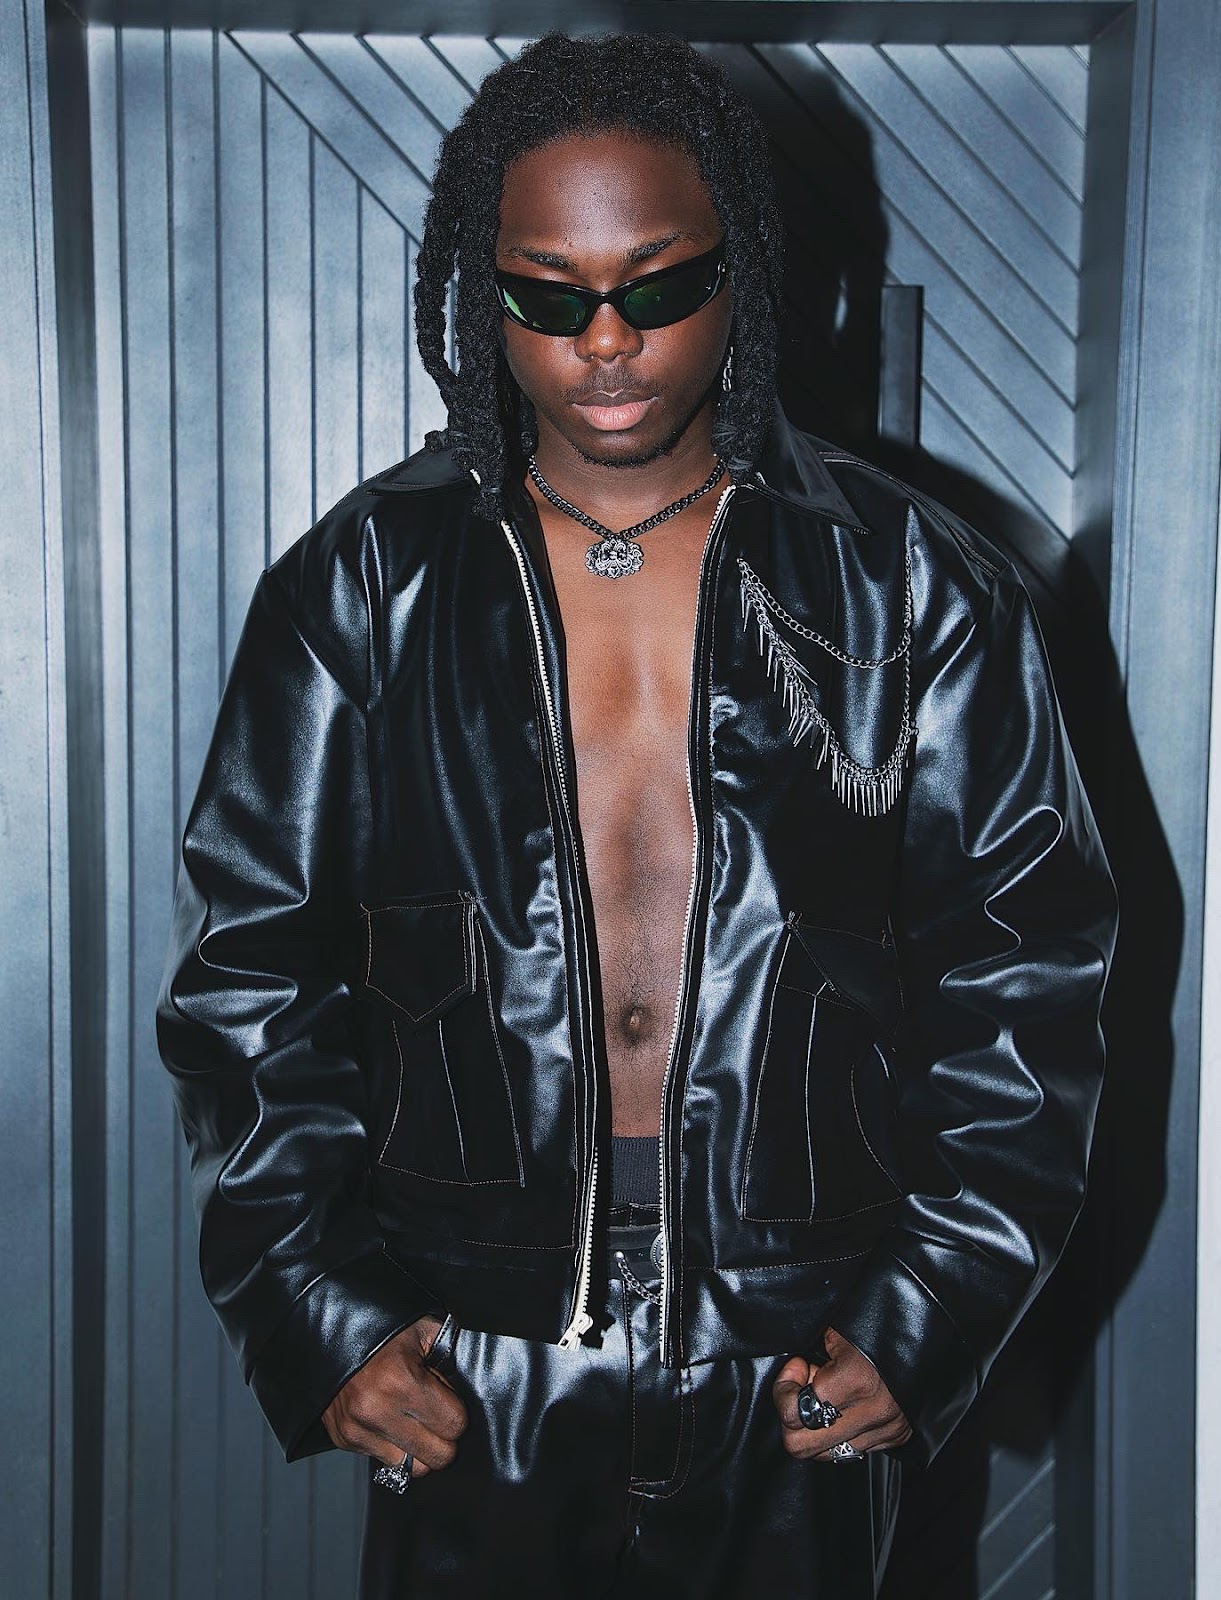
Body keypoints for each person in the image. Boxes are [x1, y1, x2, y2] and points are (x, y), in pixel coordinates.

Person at [156, 31, 1117, 1599]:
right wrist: (317, 1309)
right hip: (476, 1344)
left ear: (744, 277)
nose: (606, 343)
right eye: (549, 297)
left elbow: (1026, 966)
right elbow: (250, 973)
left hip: (795, 1336)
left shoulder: (914, 583)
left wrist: (930, 1305)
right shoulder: (365, 586)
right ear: (485, 298)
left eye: (658, 287)